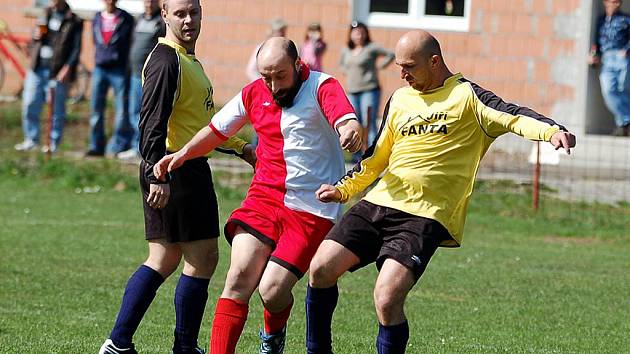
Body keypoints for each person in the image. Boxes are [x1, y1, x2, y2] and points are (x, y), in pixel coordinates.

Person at [305, 30, 576, 354]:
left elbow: (514, 117)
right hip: (378, 204)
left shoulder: (467, 97)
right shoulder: (401, 99)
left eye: (409, 67)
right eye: (399, 67)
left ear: (434, 62)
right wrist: (343, 190)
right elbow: (376, 159)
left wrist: (551, 131)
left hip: (425, 215)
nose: (402, 74)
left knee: (387, 297)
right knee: (320, 268)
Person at [154, 37, 363, 354]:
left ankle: (273, 336)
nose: (273, 85)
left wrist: (350, 129)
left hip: (311, 208)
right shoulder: (255, 92)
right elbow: (217, 130)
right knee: (237, 277)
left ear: (297, 65)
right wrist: (183, 153)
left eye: (280, 75)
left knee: (272, 289)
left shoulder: (323, 86)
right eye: (266, 76)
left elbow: (345, 117)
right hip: (264, 200)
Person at [98, 0, 254, 353]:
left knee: (164, 258)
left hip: (176, 167)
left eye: (193, 12)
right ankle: (183, 348)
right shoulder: (167, 60)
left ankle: (118, 343)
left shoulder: (186, 61)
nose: (188, 20)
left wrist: (243, 148)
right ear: (164, 14)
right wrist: (158, 175)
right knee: (203, 258)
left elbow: (204, 126)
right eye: (180, 13)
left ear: (202, 13)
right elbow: (151, 123)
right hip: (176, 169)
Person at [14, 0, 82, 153]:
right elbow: (34, 38)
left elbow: (76, 49)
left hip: (57, 71)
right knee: (29, 102)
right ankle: (31, 139)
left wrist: (67, 67)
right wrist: (35, 37)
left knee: (56, 108)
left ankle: (52, 144)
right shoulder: (45, 13)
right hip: (38, 67)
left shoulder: (74, 20)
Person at [117, 0, 166, 161]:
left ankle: (142, 148)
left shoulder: (161, 22)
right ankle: (135, 145)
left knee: (144, 113)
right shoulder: (139, 20)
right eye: (146, 1)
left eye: (151, 1)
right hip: (134, 74)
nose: (148, 4)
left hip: (148, 76)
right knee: (132, 111)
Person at [340, 21, 394, 161]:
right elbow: (342, 65)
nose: (358, 35)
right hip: (352, 91)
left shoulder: (371, 48)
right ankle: (356, 156)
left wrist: (381, 65)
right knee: (355, 122)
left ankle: (372, 156)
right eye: (356, 33)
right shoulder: (346, 50)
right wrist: (347, 72)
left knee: (368, 123)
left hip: (369, 90)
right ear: (351, 35)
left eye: (361, 32)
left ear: (365, 34)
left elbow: (390, 54)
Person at [86, 0, 134, 157]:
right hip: (100, 68)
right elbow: (95, 40)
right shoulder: (97, 18)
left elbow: (130, 43)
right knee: (96, 109)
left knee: (121, 110)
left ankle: (117, 145)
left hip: (118, 69)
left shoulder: (126, 18)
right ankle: (96, 145)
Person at [588, 0, 630, 136]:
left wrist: (626, 50)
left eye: (618, 2)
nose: (616, 5)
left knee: (622, 89)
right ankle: (626, 120)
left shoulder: (626, 19)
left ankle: (622, 125)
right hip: (607, 59)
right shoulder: (601, 21)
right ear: (606, 3)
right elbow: (596, 42)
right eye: (613, 1)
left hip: (622, 57)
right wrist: (594, 56)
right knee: (609, 91)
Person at [245, 17, 287, 82]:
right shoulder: (262, 48)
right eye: (279, 31)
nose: (282, 34)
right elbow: (250, 70)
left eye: (283, 31)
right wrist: (262, 83)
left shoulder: (286, 48)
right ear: (272, 32)